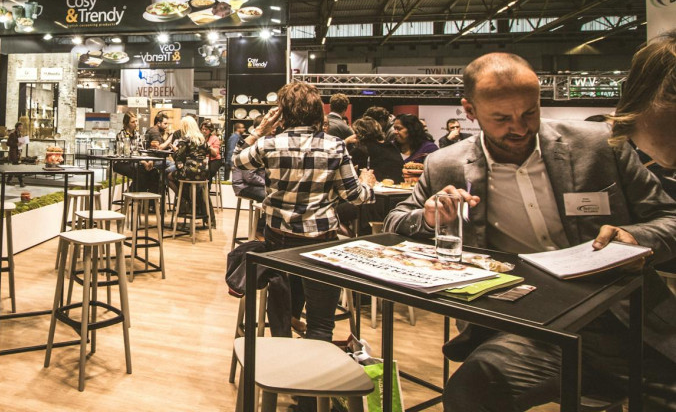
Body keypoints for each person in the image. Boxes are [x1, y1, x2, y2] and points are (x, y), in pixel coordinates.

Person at [385, 52, 676, 410]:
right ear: (470, 111)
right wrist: (429, 218)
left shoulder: (598, 143)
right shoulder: (445, 164)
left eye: (530, 113)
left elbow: (668, 216)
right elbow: (396, 221)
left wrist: (635, 240)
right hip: (532, 330)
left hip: (630, 320)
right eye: (502, 118)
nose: (520, 128)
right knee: (469, 394)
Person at [234, 81, 375, 341]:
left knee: (280, 311)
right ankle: (312, 374)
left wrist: (260, 129)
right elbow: (354, 196)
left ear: (282, 113)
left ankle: (280, 359)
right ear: (316, 112)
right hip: (318, 242)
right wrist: (368, 185)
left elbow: (237, 159)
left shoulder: (269, 144)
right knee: (321, 325)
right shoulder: (335, 146)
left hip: (277, 241)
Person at [348, 116, 404, 183]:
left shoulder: (360, 150)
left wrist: (346, 141)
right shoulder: (391, 146)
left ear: (358, 134)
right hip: (399, 186)